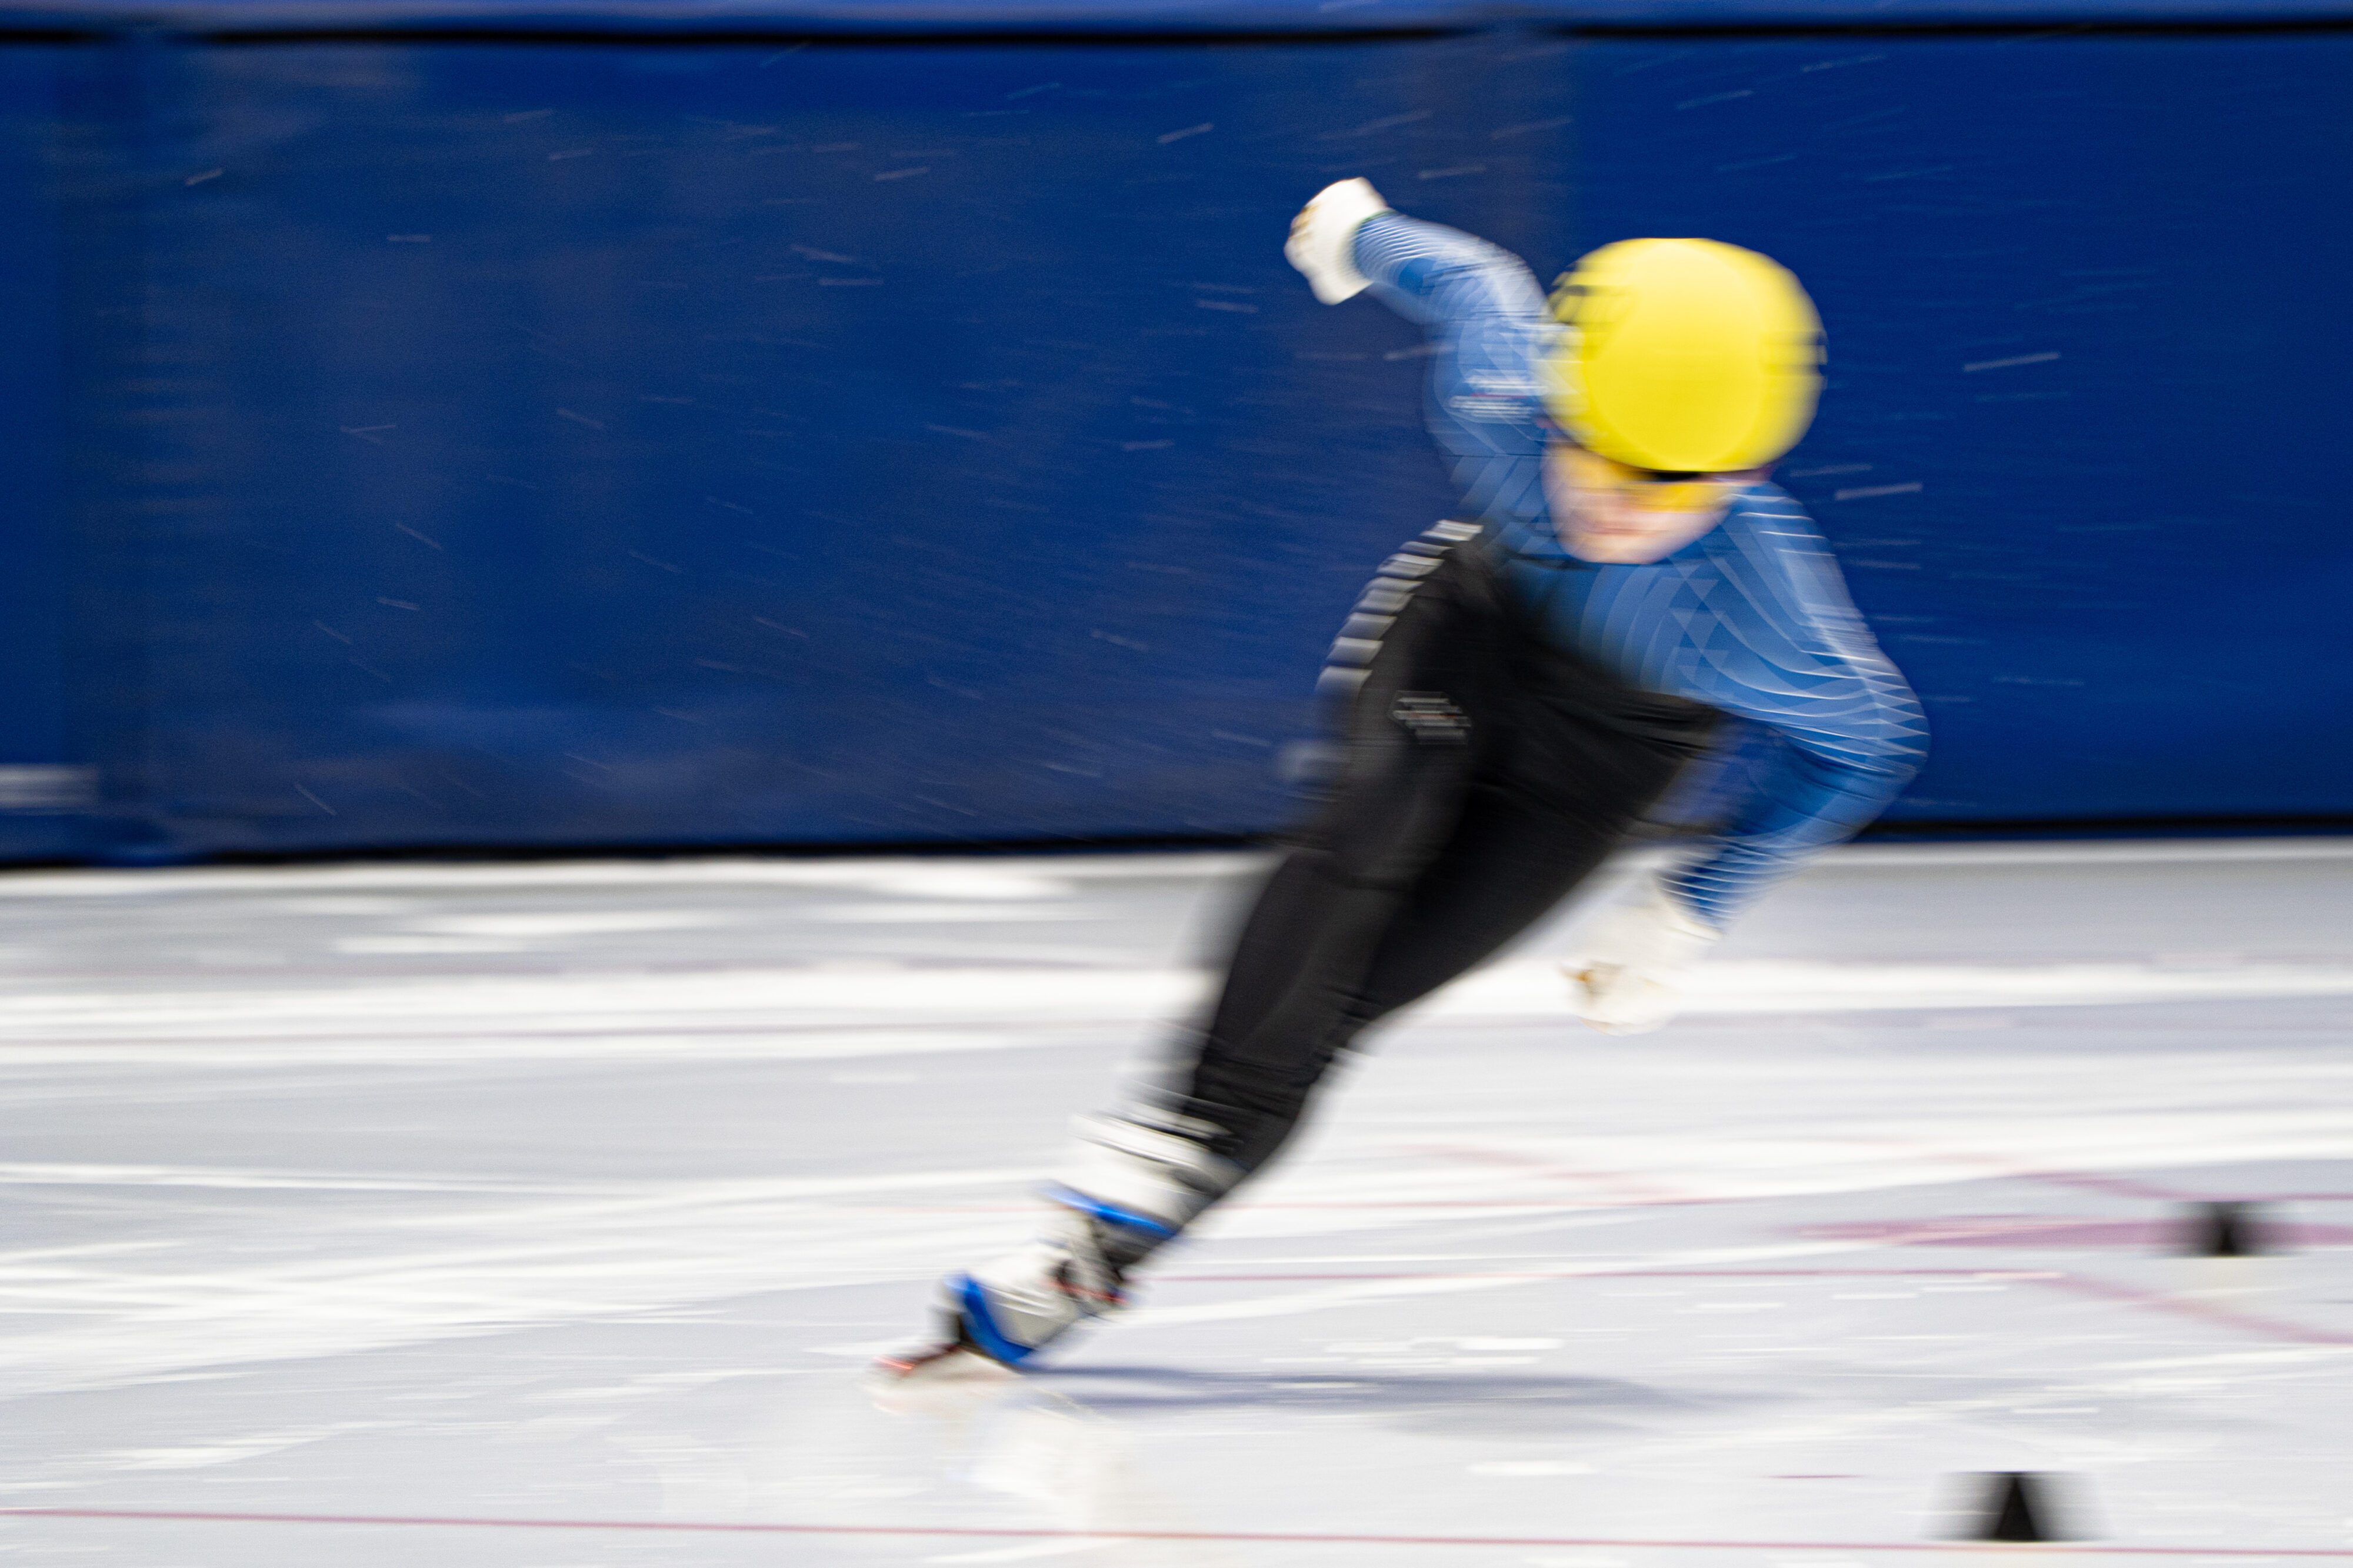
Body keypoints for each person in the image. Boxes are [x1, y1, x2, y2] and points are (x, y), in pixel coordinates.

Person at [882, 178, 1926, 1376]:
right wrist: (1350, 231)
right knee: (1359, 841)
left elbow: (1865, 744)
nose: (1617, 508)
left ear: (1742, 479)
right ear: (1556, 402)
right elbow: (1469, 280)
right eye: (1591, 453)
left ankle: (1095, 1254)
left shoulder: (1764, 610)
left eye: (1670, 486)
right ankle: (1144, 1166)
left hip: (1603, 762)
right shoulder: (1501, 393)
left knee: (1340, 1006)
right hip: (1466, 638)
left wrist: (1690, 908)